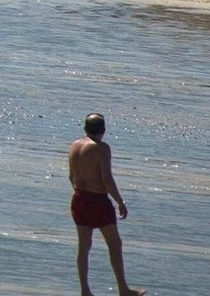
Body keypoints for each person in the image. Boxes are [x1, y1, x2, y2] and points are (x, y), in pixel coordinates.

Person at [68, 114, 144, 296]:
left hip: (78, 198)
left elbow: (71, 176)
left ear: (85, 128)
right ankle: (123, 289)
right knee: (115, 244)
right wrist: (120, 202)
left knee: (84, 247)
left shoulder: (74, 146)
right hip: (97, 201)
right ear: (103, 130)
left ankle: (85, 290)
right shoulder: (101, 148)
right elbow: (107, 180)